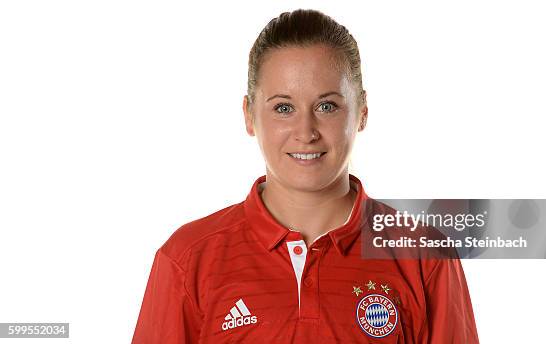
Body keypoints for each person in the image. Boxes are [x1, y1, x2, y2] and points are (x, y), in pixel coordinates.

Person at [132, 9, 479, 343]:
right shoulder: (187, 258)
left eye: (327, 106)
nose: (306, 131)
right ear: (249, 116)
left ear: (362, 112)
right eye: (283, 108)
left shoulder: (424, 257)